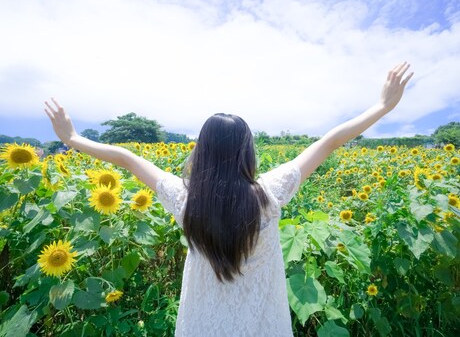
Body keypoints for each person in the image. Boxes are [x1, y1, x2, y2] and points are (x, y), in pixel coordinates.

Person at [45, 62, 413, 336]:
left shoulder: (186, 200)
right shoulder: (269, 194)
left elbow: (127, 157)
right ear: (247, 153)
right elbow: (330, 141)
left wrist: (74, 139)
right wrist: (382, 107)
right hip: (262, 326)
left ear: (201, 151)